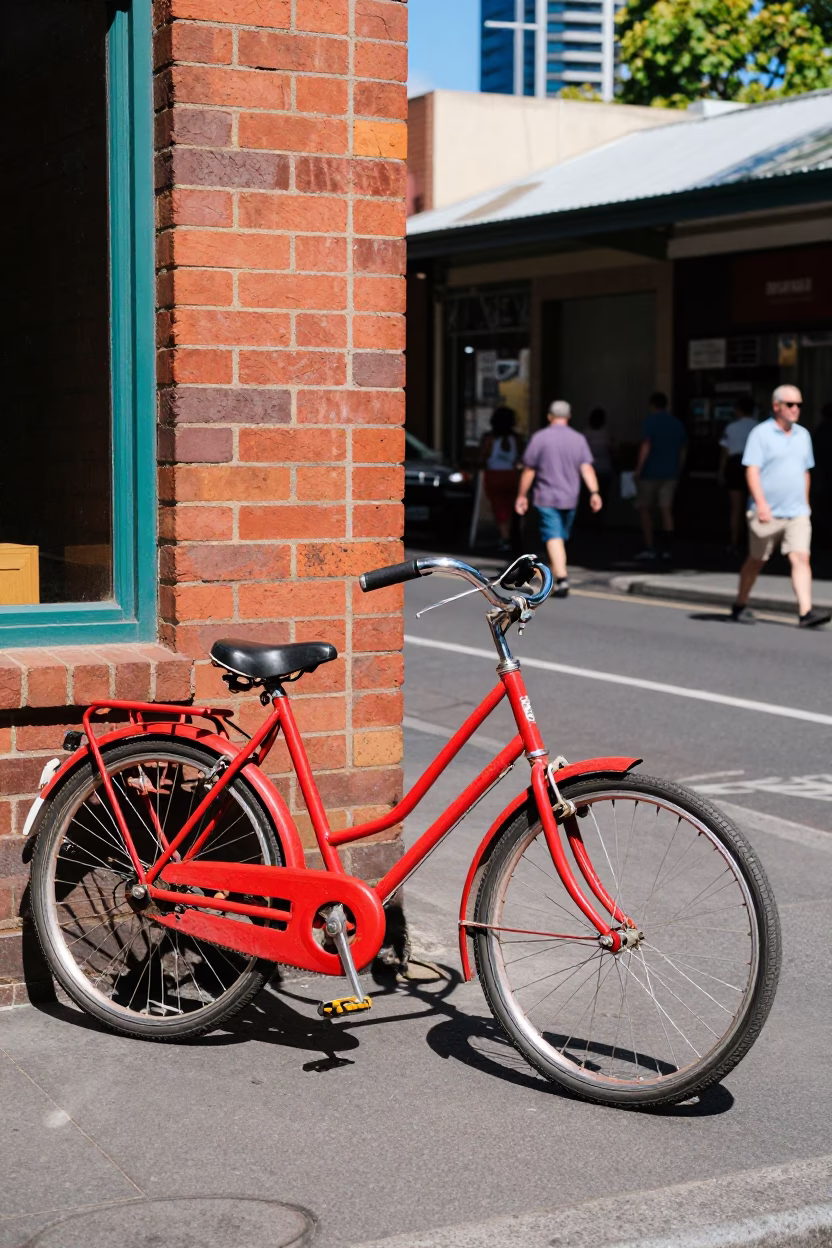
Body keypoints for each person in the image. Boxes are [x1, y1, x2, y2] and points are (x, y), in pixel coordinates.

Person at [731, 384, 831, 628]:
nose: (795, 409)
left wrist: (805, 506)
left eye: (799, 405)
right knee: (756, 560)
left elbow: (805, 472)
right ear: (776, 406)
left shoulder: (803, 435)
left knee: (801, 558)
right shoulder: (760, 434)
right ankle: (740, 603)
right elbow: (752, 471)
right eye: (790, 404)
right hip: (767, 512)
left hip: (796, 512)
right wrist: (761, 504)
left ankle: (805, 612)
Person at [515, 399, 602, 598]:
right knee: (557, 537)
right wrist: (595, 492)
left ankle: (559, 580)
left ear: (549, 416)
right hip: (570, 497)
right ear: (569, 416)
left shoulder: (540, 438)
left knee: (556, 538)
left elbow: (529, 469)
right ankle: (560, 577)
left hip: (546, 496)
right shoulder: (578, 439)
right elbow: (586, 468)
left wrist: (521, 495)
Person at [634, 391, 688, 561]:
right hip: (670, 472)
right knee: (666, 509)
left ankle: (650, 547)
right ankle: (668, 547)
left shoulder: (649, 422)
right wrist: (678, 468)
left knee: (644, 509)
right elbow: (683, 449)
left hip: (650, 472)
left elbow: (646, 446)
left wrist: (638, 469)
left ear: (652, 405)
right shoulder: (677, 423)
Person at [480, 406, 524, 554]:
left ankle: (504, 538)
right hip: (512, 475)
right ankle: (510, 536)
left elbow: (484, 456)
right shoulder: (516, 438)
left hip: (494, 475)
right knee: (511, 507)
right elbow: (520, 457)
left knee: (499, 507)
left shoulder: (490, 438)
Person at [719, 396, 758, 553]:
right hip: (754, 465)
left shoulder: (731, 427)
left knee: (736, 507)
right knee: (756, 505)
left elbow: (725, 451)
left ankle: (734, 541)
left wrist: (721, 471)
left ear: (738, 410)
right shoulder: (759, 427)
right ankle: (755, 542)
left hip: (735, 465)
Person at [584, 407, 613, 514]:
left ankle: (590, 520)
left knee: (588, 497)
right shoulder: (606, 434)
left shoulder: (586, 434)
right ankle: (600, 519)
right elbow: (612, 450)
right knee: (603, 496)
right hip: (604, 469)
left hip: (589, 470)